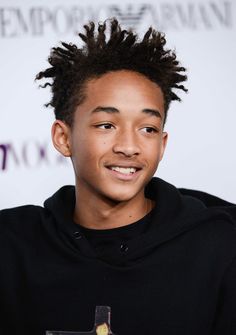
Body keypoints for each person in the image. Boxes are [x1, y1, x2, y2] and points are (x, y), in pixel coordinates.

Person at [0, 18, 235, 335]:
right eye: (106, 125)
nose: (129, 146)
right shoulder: (11, 246)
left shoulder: (221, 246)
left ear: (162, 144)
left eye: (147, 129)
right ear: (63, 137)